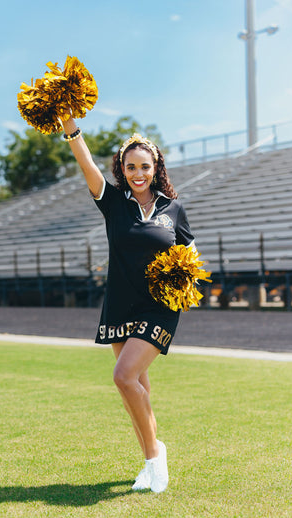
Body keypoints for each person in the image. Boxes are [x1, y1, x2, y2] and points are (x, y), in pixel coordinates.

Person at [61, 117, 195, 493]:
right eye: (130, 167)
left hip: (160, 307)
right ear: (122, 168)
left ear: (156, 169)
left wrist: (185, 281)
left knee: (123, 376)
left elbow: (191, 255)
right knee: (135, 387)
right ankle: (148, 463)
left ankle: (156, 456)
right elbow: (87, 163)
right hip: (121, 304)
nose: (138, 173)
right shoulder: (113, 203)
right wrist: (72, 129)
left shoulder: (173, 209)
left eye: (145, 167)